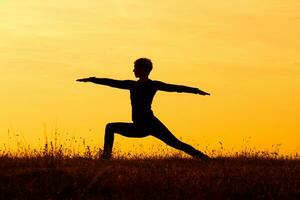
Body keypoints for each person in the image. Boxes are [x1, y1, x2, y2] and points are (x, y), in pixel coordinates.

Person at [76, 58, 210, 160]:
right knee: (111, 127)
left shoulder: (144, 85)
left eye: (135, 68)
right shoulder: (136, 85)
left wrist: (196, 90)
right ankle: (106, 157)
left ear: (143, 70)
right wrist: (92, 79)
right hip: (142, 125)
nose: (133, 71)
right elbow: (111, 82)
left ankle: (206, 159)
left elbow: (175, 88)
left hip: (149, 124)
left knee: (176, 143)